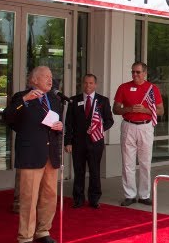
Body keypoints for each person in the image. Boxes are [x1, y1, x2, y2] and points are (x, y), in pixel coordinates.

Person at [4, 66, 65, 243]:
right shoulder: (21, 97)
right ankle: (25, 236)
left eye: (51, 76)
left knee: (49, 196)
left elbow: (57, 122)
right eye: (46, 76)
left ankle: (43, 231)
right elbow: (8, 117)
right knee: (29, 197)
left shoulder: (54, 99)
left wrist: (59, 126)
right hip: (31, 154)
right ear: (34, 80)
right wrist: (24, 100)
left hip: (50, 154)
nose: (50, 79)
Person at [112, 62, 163, 205]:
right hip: (128, 126)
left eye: (138, 72)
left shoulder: (152, 89)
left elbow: (160, 111)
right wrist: (128, 109)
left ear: (145, 73)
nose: (135, 74)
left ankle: (144, 195)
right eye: (133, 72)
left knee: (145, 162)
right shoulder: (123, 87)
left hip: (145, 127)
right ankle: (130, 195)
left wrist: (144, 110)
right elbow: (115, 109)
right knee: (127, 163)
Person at [65, 73, 115, 208]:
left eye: (91, 83)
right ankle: (78, 199)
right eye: (86, 83)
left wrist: (99, 128)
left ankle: (94, 199)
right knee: (79, 171)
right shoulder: (73, 101)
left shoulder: (103, 101)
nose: (88, 85)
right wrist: (68, 142)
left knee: (94, 171)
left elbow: (110, 120)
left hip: (95, 142)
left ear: (95, 85)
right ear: (82, 84)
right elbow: (68, 123)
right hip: (78, 143)